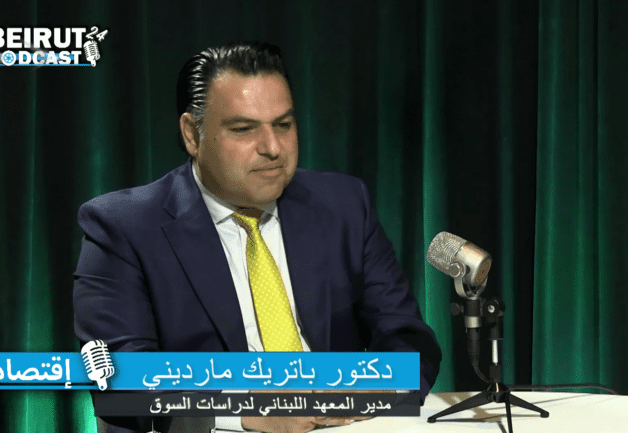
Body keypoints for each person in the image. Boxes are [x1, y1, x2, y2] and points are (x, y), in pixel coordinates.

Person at [73, 42, 442, 433]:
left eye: (283, 125)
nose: (272, 148)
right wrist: (247, 410)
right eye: (243, 129)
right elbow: (119, 377)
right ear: (192, 135)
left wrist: (377, 390)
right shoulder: (122, 226)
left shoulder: (345, 205)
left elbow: (407, 341)